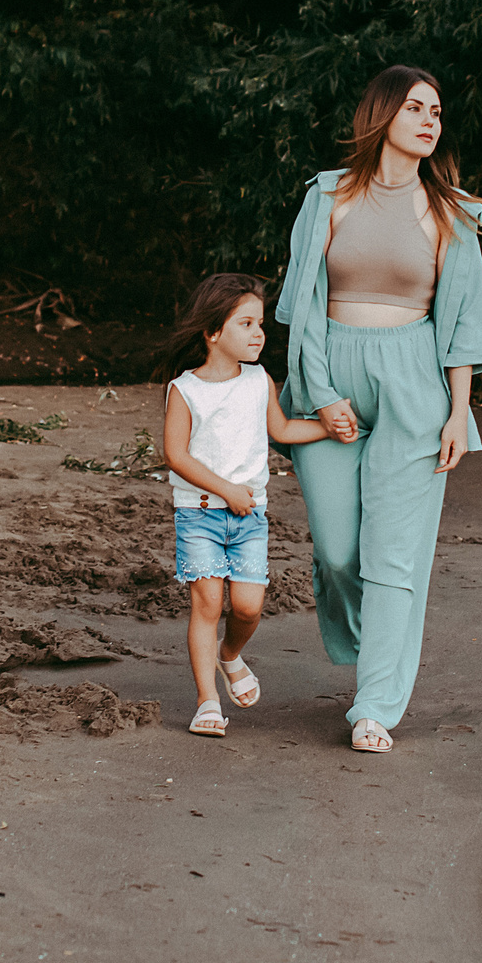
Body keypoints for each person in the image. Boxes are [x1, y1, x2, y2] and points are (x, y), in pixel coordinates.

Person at [277, 66, 482, 754]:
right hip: (331, 378)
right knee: (342, 553)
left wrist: (458, 411)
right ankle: (366, 644)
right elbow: (301, 306)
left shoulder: (452, 211)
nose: (431, 119)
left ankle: (374, 705)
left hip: (413, 385)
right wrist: (321, 392)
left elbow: (462, 320)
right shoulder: (329, 195)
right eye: (415, 107)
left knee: (393, 557)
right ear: (382, 115)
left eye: (437, 109)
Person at [155, 273, 331, 737]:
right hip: (199, 515)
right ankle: (207, 701)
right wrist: (226, 489)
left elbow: (284, 431)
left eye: (260, 325)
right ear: (213, 332)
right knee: (208, 602)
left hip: (249, 518)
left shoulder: (258, 381)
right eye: (246, 324)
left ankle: (229, 654)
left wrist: (330, 428)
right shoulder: (185, 389)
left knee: (249, 607)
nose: (259, 334)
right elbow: (176, 454)